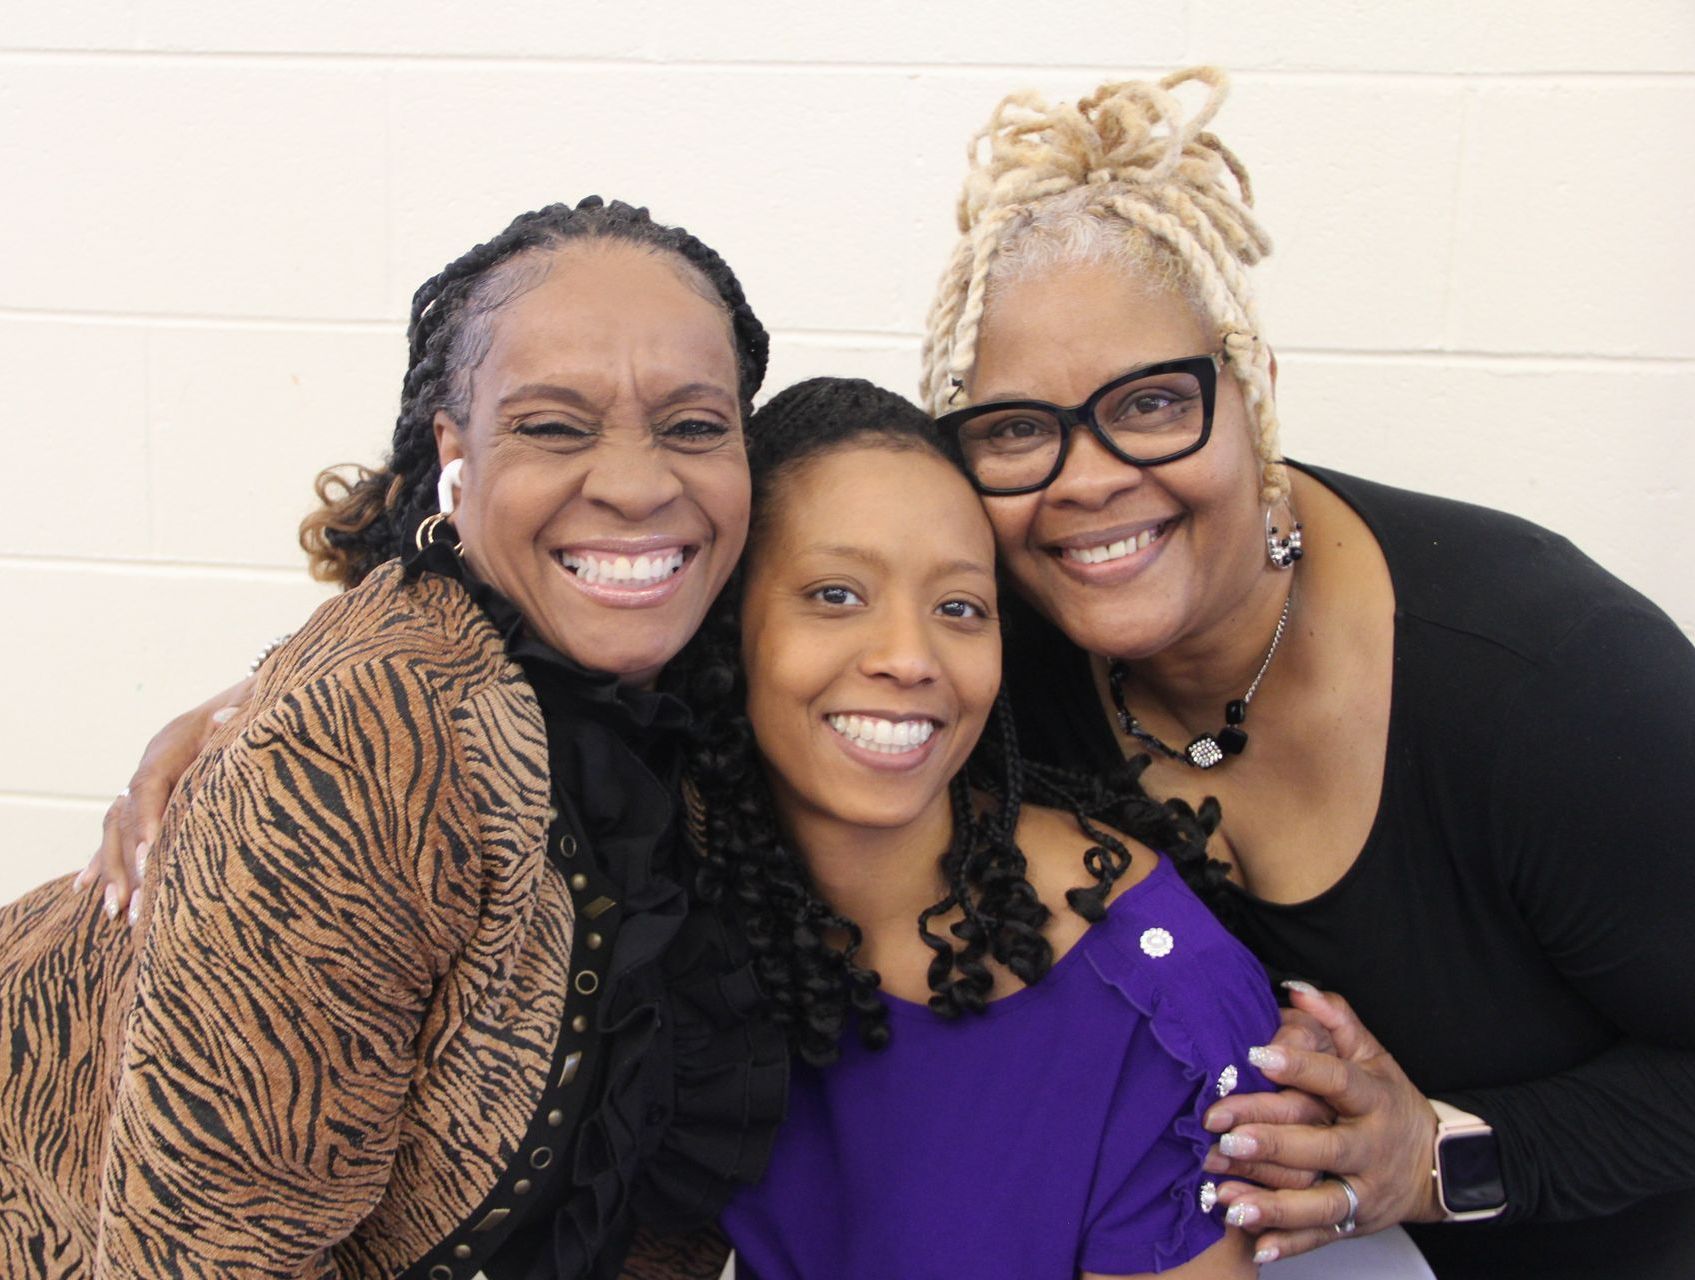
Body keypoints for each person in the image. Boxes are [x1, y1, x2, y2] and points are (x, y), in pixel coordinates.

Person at [919, 67, 1695, 1278]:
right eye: (1018, 427)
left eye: (1152, 402)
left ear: (1256, 392)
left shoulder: (1553, 682)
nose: (1085, 477)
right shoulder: (1003, 671)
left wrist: (1436, 1157)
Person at [0, 196, 788, 1280]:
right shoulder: (360, 742)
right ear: (453, 457)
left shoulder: (692, 698)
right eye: (553, 424)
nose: (640, 481)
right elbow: (209, 1257)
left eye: (694, 426)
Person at [680, 376, 1278, 1278]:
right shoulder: (662, 896)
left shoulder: (1152, 994)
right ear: (729, 628)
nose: (909, 659)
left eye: (959, 607)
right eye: (836, 594)